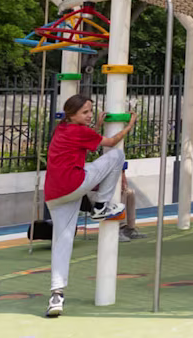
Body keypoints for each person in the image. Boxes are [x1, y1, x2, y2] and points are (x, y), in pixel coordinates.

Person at [42, 94, 133, 318]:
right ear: (72, 114)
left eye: (91, 111)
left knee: (62, 241)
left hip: (54, 193)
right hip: (74, 185)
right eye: (85, 112)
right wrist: (130, 125)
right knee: (116, 156)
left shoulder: (61, 130)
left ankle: (56, 294)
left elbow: (87, 143)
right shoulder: (81, 131)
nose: (90, 115)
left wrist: (96, 126)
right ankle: (101, 206)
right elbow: (110, 143)